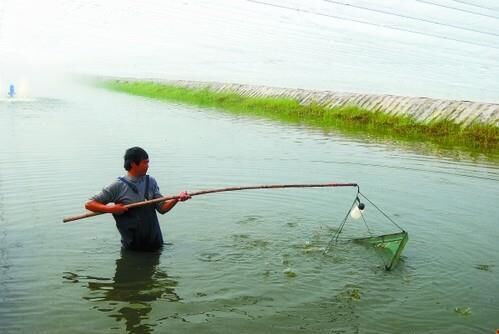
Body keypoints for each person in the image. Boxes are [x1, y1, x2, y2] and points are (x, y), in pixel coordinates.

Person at [85, 147, 190, 251]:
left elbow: (162, 209)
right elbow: (89, 204)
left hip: (155, 243)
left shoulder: (151, 182)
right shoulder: (118, 186)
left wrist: (177, 199)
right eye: (145, 163)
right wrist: (111, 209)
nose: (148, 166)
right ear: (133, 164)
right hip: (132, 248)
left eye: (148, 163)